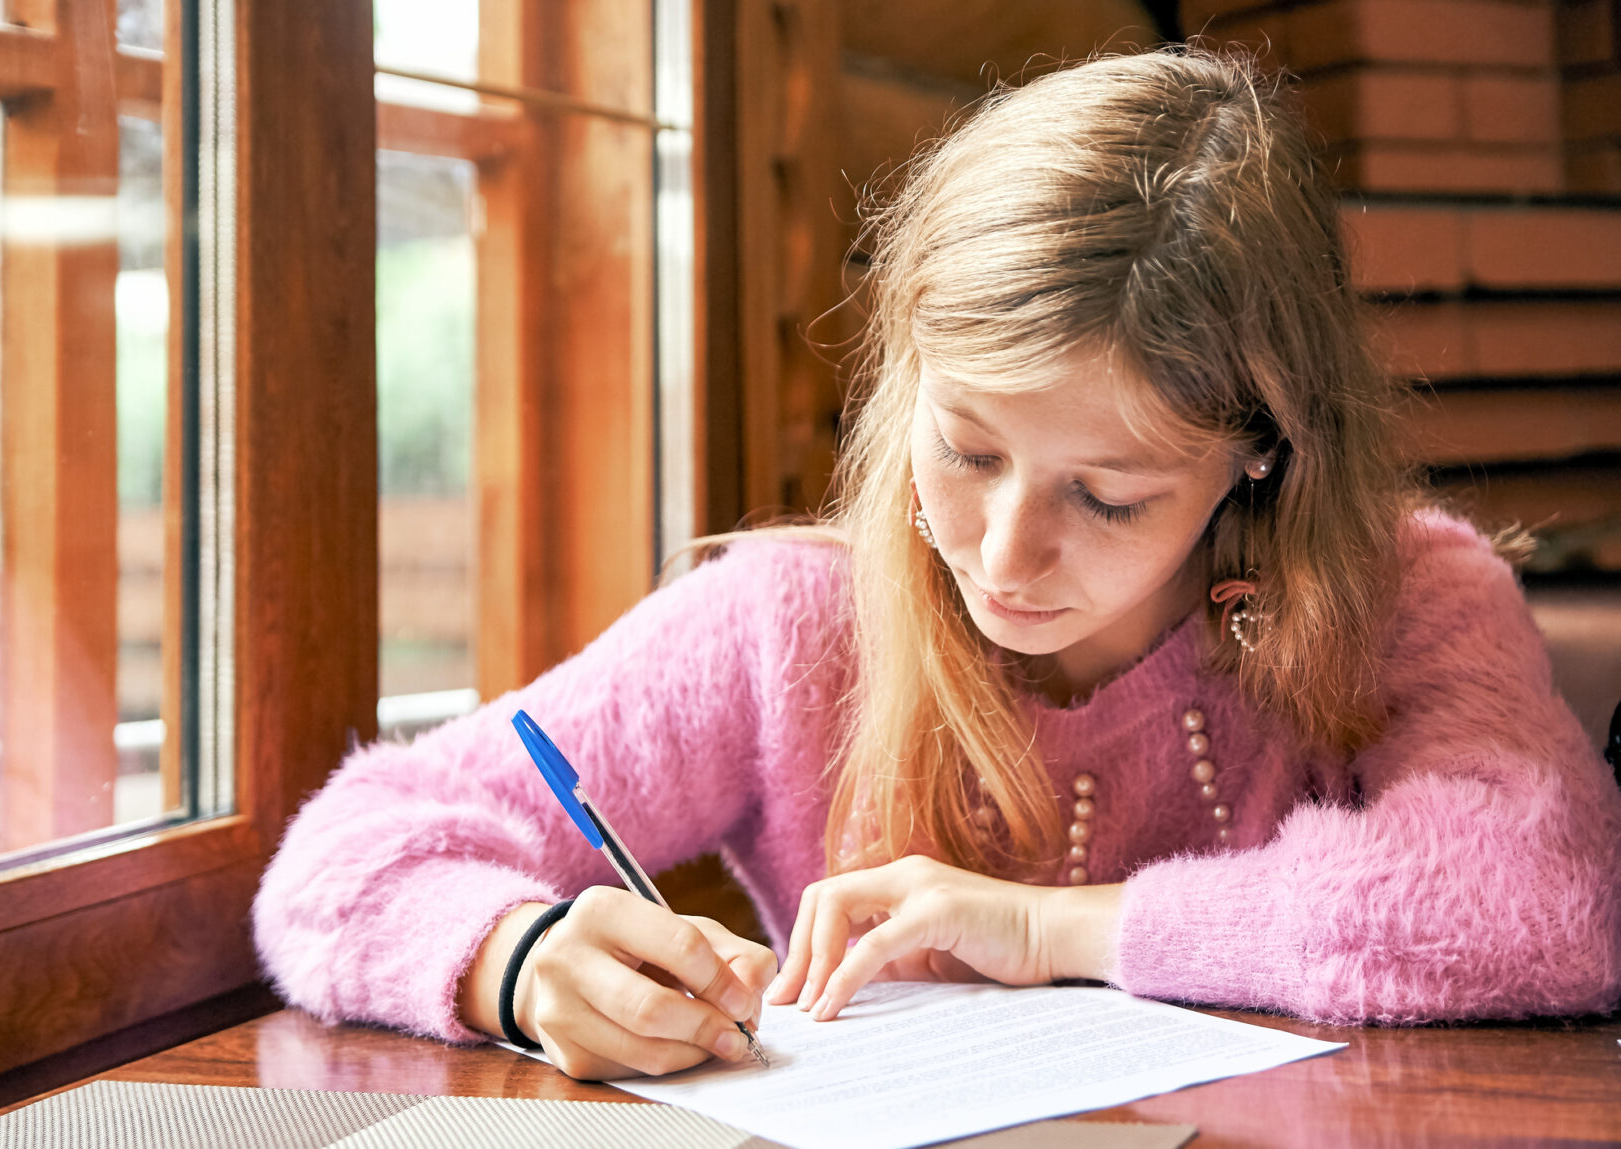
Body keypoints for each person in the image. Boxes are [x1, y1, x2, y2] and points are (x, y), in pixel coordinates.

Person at [251, 48, 1621, 1081]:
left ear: (1261, 453)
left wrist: (1057, 928)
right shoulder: (789, 624)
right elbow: (344, 854)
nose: (1004, 552)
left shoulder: (1406, 597)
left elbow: (1542, 902)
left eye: (1106, 491)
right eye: (964, 449)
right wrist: (513, 957)